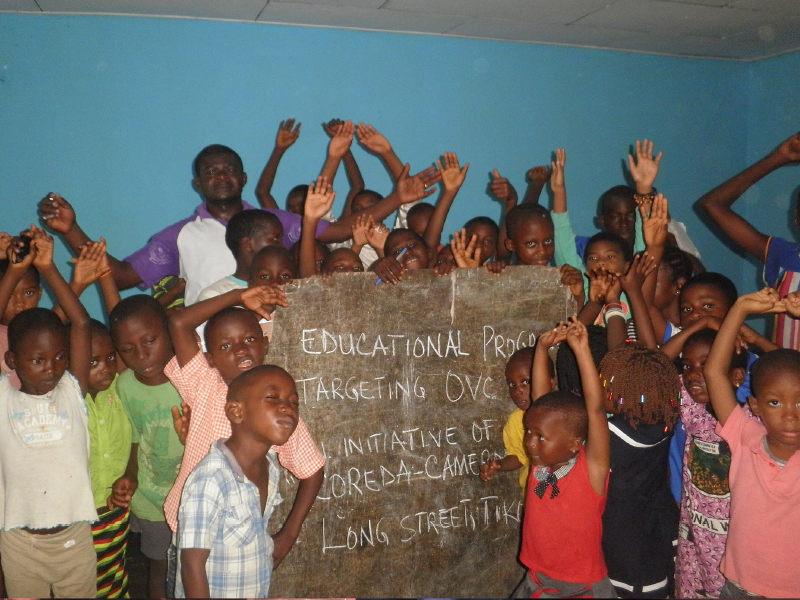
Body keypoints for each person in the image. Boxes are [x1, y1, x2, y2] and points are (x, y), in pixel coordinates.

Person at [39, 144, 439, 305]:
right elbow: (123, 275)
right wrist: (71, 229)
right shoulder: (180, 236)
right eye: (211, 172)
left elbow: (338, 231)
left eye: (230, 169)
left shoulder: (276, 222)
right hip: (212, 352)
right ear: (198, 184)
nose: (222, 176)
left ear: (244, 178)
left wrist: (397, 199)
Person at [164, 284, 325, 597]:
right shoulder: (204, 384)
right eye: (225, 346)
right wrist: (239, 296)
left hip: (243, 544)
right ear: (209, 358)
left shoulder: (275, 408)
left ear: (265, 344)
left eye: (249, 339)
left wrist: (289, 533)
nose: (240, 350)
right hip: (190, 531)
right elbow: (178, 323)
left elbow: (313, 469)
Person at [0, 227, 97, 598]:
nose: (52, 368)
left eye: (59, 357)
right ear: (12, 361)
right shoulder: (5, 399)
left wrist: (49, 266)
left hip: (74, 539)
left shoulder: (72, 390)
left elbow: (83, 323)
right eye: (37, 360)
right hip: (20, 544)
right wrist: (13, 270)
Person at [176, 365, 304, 598]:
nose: (287, 407)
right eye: (272, 398)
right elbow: (191, 567)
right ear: (236, 412)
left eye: (293, 402)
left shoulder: (269, 466)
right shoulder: (211, 480)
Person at [704, 288, 800, 598]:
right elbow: (714, 372)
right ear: (755, 407)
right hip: (739, 587)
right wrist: (740, 308)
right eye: (774, 403)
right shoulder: (746, 438)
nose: (789, 416)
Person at [512, 318, 614, 598]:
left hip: (582, 586)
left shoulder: (590, 470)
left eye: (540, 437)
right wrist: (542, 349)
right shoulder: (542, 463)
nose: (530, 443)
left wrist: (581, 351)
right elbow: (541, 401)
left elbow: (595, 410)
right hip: (537, 578)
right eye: (529, 432)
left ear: (574, 443)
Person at [109, 295, 184, 598]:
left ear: (168, 331)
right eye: (127, 349)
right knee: (159, 568)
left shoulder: (189, 376)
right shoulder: (125, 386)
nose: (141, 355)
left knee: (194, 568)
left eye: (150, 340)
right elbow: (135, 439)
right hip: (152, 501)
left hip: (195, 500)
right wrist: (130, 475)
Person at [697, 131, 800, 350]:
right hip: (778, 381)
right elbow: (713, 205)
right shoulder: (784, 256)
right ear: (796, 218)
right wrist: (779, 158)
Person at [597, 340, 682, 598]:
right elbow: (650, 373)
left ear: (621, 392)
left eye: (604, 385)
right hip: (658, 526)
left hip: (626, 540)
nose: (599, 391)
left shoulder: (610, 434)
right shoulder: (664, 422)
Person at [674, 328, 747, 599]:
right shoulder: (695, 414)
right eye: (687, 366)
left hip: (733, 552)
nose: (693, 373)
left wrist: (752, 337)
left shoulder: (751, 424)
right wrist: (705, 323)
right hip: (694, 543)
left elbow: (786, 374)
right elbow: (656, 364)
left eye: (706, 365)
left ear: (737, 376)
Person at [479, 346, 555, 492]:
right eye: (512, 384)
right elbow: (519, 456)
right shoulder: (516, 420)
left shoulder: (564, 414)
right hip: (534, 494)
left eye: (526, 382)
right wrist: (500, 465)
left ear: (550, 383)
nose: (517, 390)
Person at [196, 209, 284, 302]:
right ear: (248, 245)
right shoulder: (215, 295)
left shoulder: (285, 287)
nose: (283, 246)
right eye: (275, 239)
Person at [0, 234, 43, 388]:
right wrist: (14, 271)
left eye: (28, 293)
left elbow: (78, 320)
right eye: (10, 295)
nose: (20, 304)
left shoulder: (43, 331)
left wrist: (48, 266)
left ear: (40, 294)